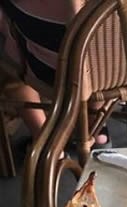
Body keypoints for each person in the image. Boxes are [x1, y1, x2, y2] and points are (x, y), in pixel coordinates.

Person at [0, 0, 108, 145]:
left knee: (10, 71)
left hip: (56, 73)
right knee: (102, 45)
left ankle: (45, 141)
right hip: (122, 67)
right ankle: (97, 125)